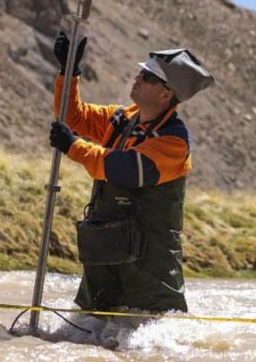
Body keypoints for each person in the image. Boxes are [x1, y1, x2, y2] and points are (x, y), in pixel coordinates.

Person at [48, 32, 214, 311]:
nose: (138, 77)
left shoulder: (174, 142)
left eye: (148, 76)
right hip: (106, 254)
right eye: (141, 71)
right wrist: (69, 72)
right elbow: (72, 117)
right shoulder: (121, 118)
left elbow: (125, 170)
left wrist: (74, 147)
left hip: (149, 271)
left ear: (166, 94)